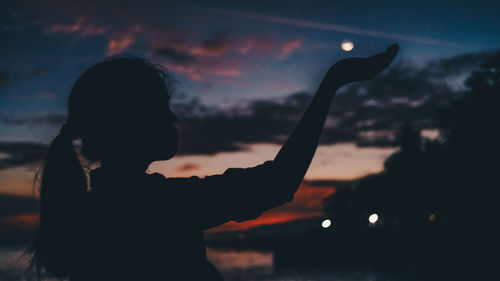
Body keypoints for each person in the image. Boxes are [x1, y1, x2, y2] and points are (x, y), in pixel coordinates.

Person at [30, 44, 398, 280]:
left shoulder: (97, 208)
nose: (174, 119)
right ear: (129, 122)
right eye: (161, 109)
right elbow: (277, 182)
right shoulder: (158, 204)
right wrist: (332, 83)